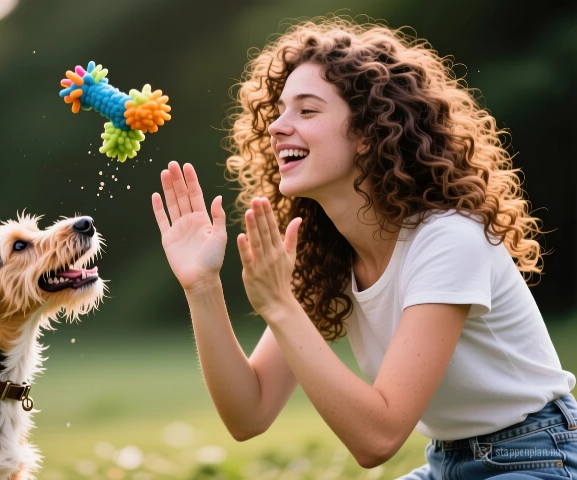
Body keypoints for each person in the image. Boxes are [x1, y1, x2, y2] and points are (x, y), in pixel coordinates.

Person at [150, 15, 576, 479]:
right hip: (445, 463)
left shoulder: (448, 237)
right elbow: (248, 414)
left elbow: (379, 438)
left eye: (306, 111)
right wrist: (202, 285)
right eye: (279, 110)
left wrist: (279, 305)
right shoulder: (325, 253)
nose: (276, 127)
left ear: (371, 132)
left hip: (538, 455)